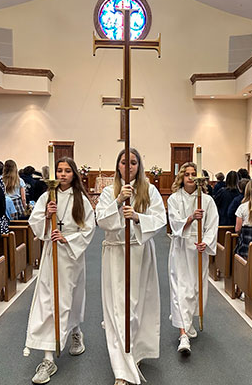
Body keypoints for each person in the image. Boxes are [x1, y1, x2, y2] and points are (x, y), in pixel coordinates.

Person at [96, 148, 166, 385]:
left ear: (139, 166)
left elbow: (159, 219)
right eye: (124, 162)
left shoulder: (150, 190)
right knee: (118, 309)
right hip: (115, 254)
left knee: (136, 307)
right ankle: (121, 370)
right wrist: (118, 201)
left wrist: (137, 217)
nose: (129, 167)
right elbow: (101, 221)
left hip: (139, 251)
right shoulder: (108, 192)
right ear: (118, 165)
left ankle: (133, 351)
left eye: (133, 162)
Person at [25, 157, 96, 384]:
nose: (63, 174)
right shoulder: (47, 197)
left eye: (67, 171)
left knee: (69, 301)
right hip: (51, 255)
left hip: (71, 257)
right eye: (59, 170)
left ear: (74, 174)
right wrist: (46, 216)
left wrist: (68, 238)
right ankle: (48, 359)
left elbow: (88, 229)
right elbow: (34, 223)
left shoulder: (81, 200)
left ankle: (75, 332)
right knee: (48, 302)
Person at [167, 162, 218, 355]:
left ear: (200, 179)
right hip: (181, 249)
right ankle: (183, 336)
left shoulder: (207, 201)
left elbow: (212, 225)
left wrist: (206, 241)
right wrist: (190, 218)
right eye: (187, 174)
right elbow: (173, 223)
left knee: (195, 289)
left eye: (193, 174)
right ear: (181, 177)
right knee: (181, 290)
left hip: (198, 250)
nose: (190, 177)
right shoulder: (174, 199)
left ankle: (187, 322)